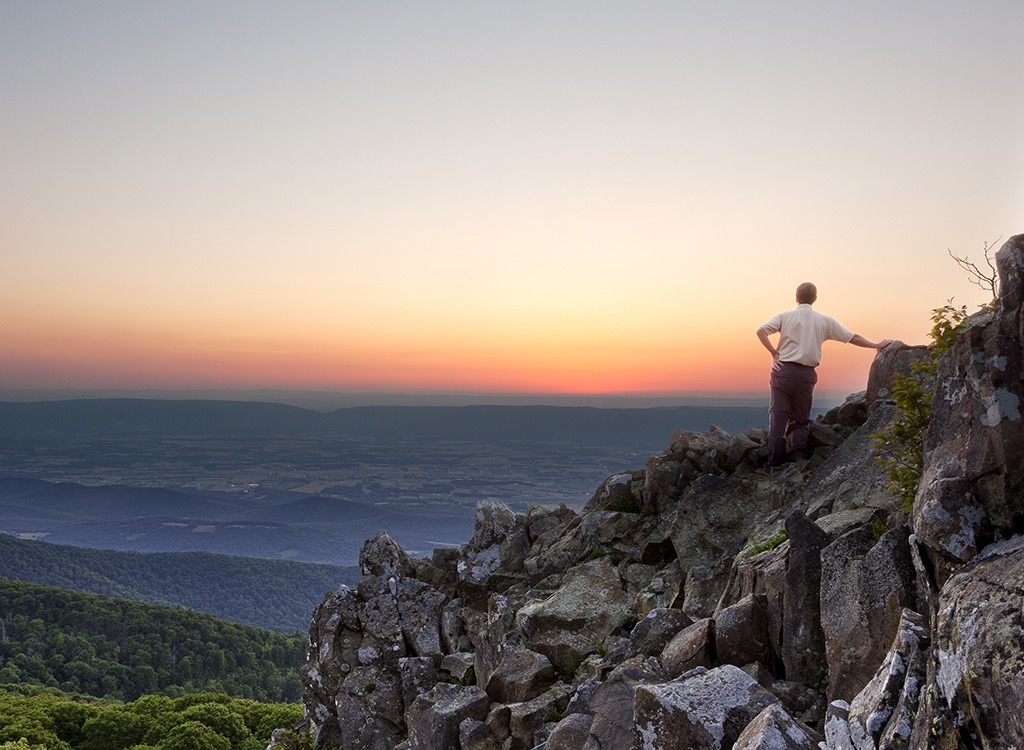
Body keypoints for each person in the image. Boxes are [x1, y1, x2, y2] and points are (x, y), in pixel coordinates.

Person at [756, 282, 892, 467]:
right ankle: (798, 458)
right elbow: (852, 337)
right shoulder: (824, 320)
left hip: (783, 371)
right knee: (800, 417)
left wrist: (774, 352)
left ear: (797, 297)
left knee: (778, 416)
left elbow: (761, 331)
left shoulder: (785, 316)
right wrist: (876, 345)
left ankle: (774, 462)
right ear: (815, 298)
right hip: (806, 374)